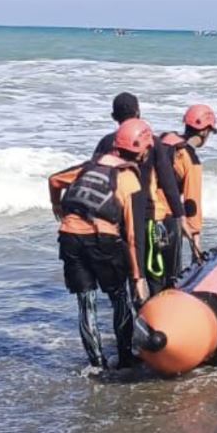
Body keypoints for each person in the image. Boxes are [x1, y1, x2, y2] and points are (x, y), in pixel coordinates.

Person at [49, 118, 154, 369]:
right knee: (119, 297)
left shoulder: (88, 167)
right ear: (142, 149)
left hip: (69, 236)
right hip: (102, 241)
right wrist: (138, 277)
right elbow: (132, 235)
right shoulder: (129, 179)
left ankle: (97, 365)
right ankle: (126, 358)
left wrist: (57, 205)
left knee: (86, 302)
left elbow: (54, 180)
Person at [92, 92, 186, 289]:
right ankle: (155, 305)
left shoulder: (106, 143)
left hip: (118, 219)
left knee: (130, 273)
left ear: (114, 116)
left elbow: (95, 179)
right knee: (155, 273)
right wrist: (180, 216)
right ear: (138, 112)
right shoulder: (152, 142)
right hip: (149, 217)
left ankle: (133, 305)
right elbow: (168, 182)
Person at [156, 103, 217, 267]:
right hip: (167, 219)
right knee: (170, 274)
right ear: (204, 132)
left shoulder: (165, 139)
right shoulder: (191, 160)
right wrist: (196, 246)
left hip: (143, 213)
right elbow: (192, 204)